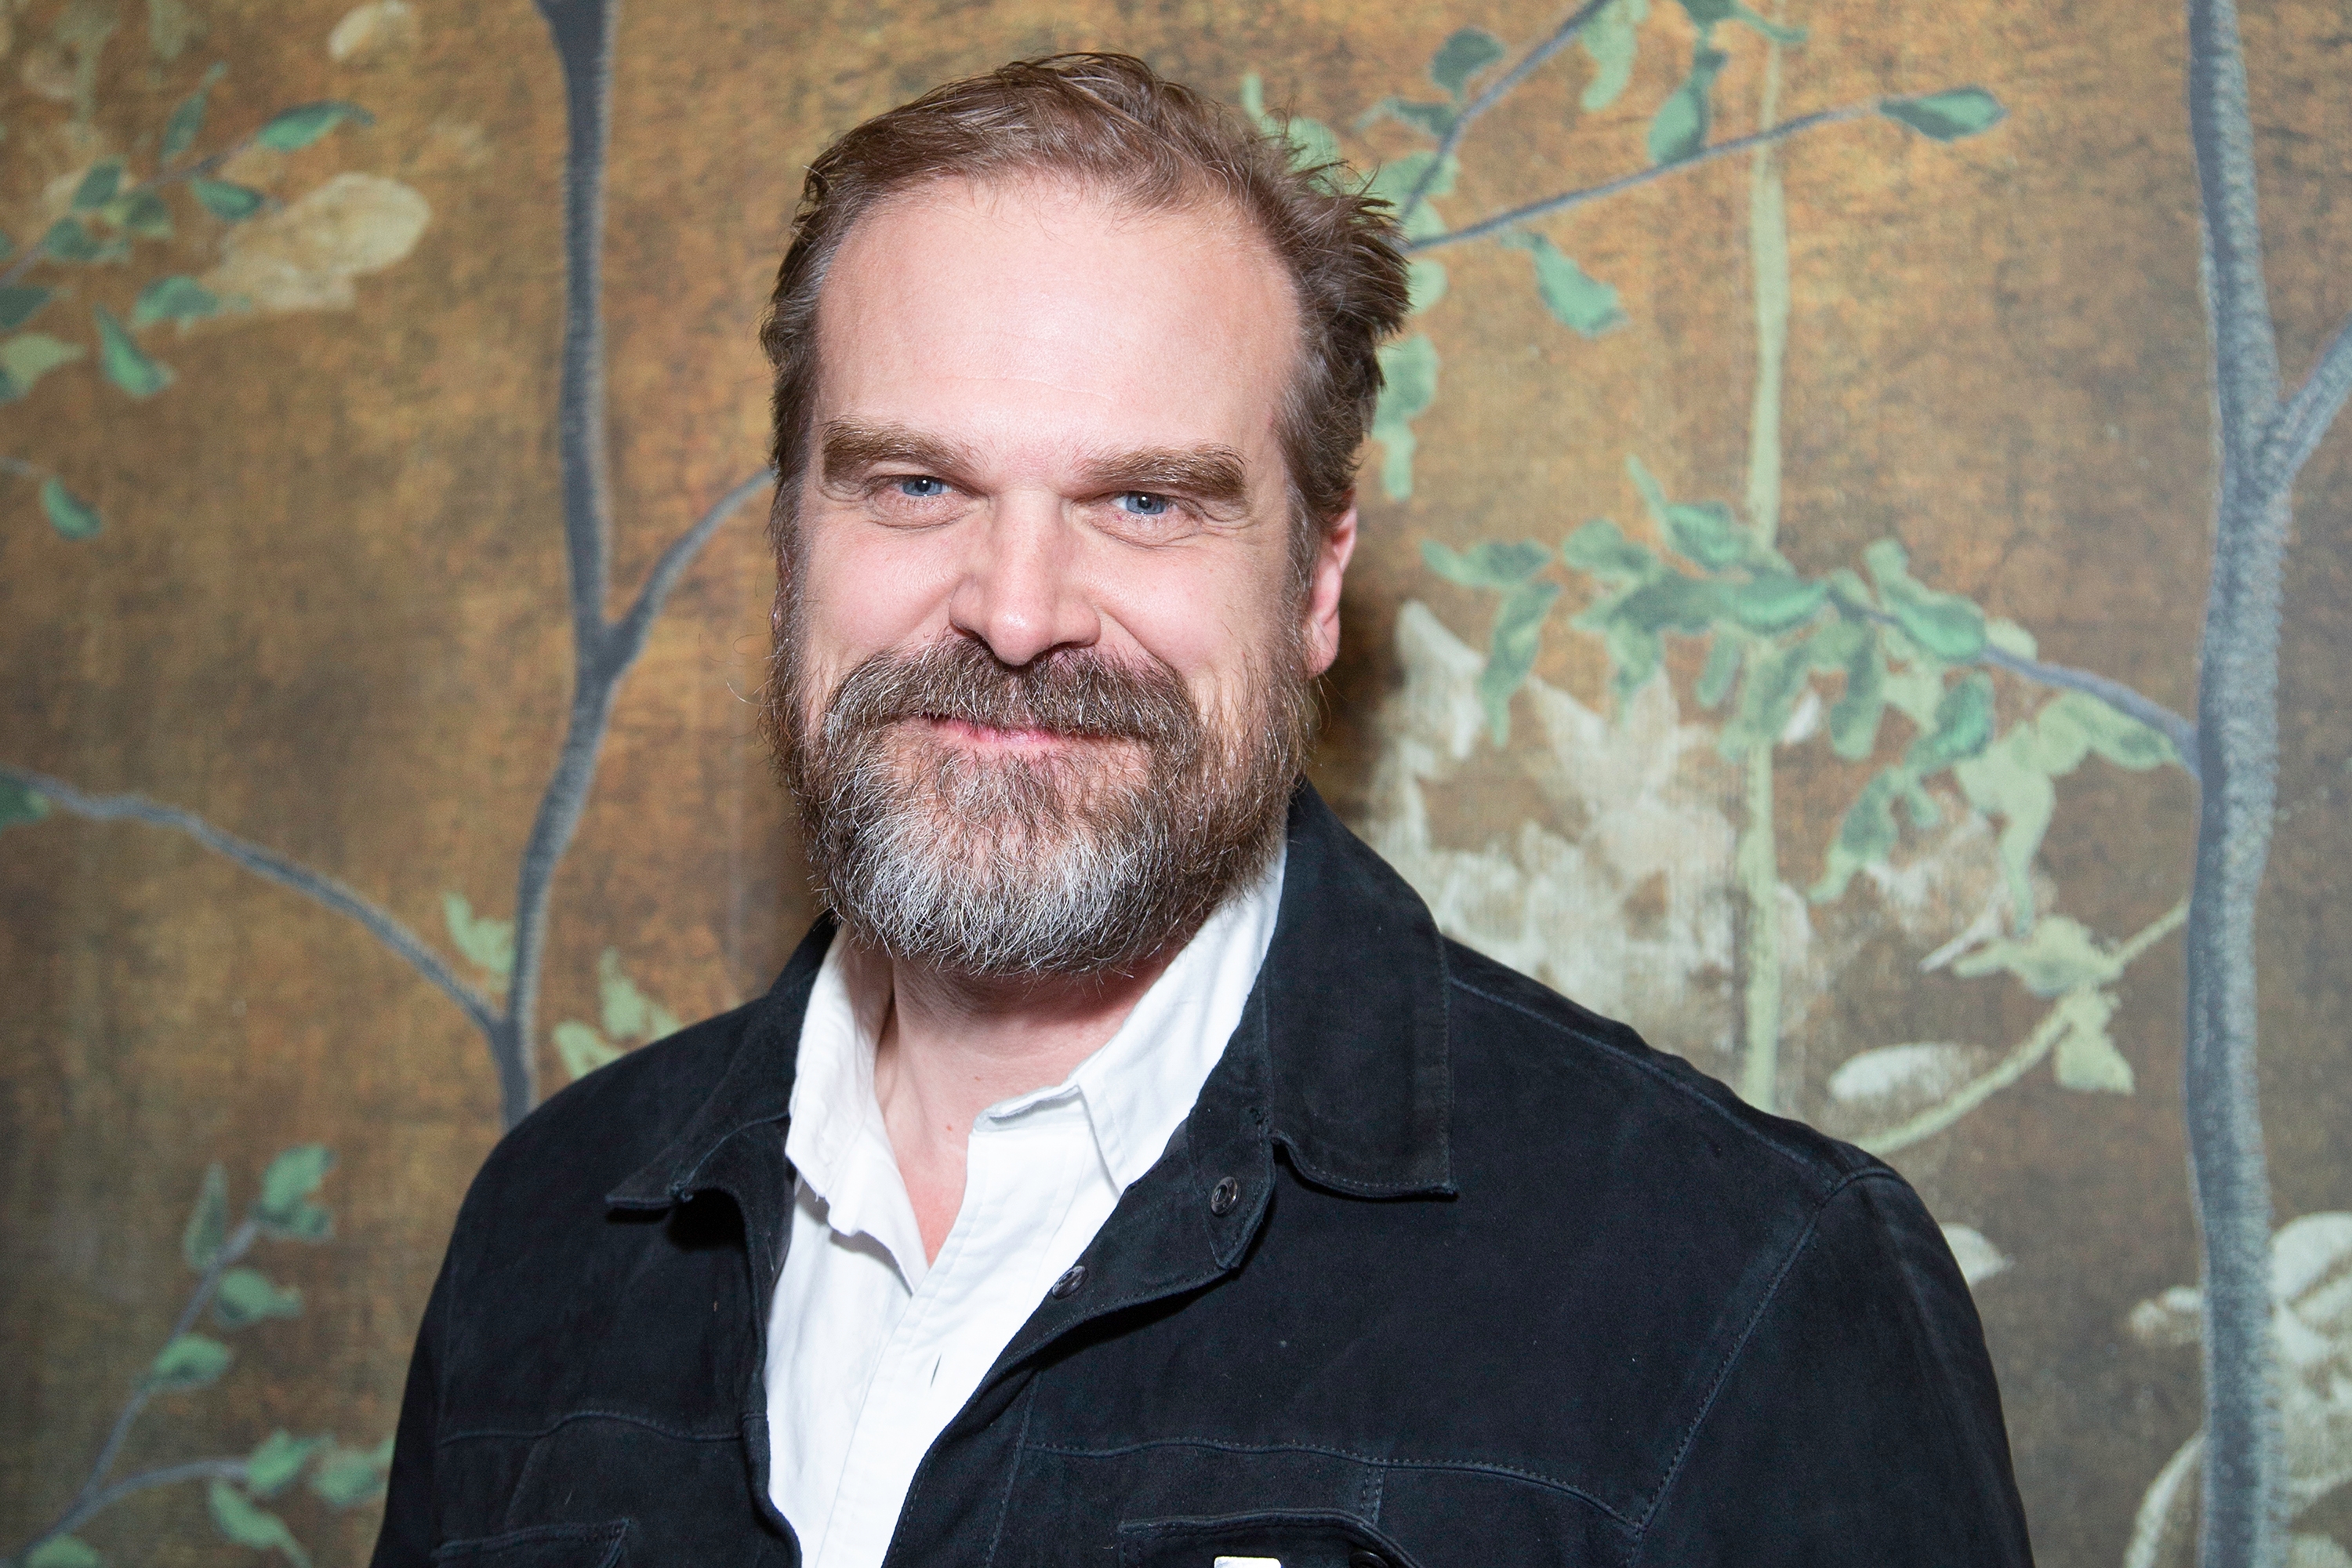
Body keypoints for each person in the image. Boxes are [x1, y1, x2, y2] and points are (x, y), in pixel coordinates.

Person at [372, 53, 2033, 1568]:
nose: (1016, 612)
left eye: (1146, 499)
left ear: (1318, 581)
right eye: (916, 484)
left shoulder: (1736, 1283)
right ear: (796, 537)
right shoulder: (548, 1231)